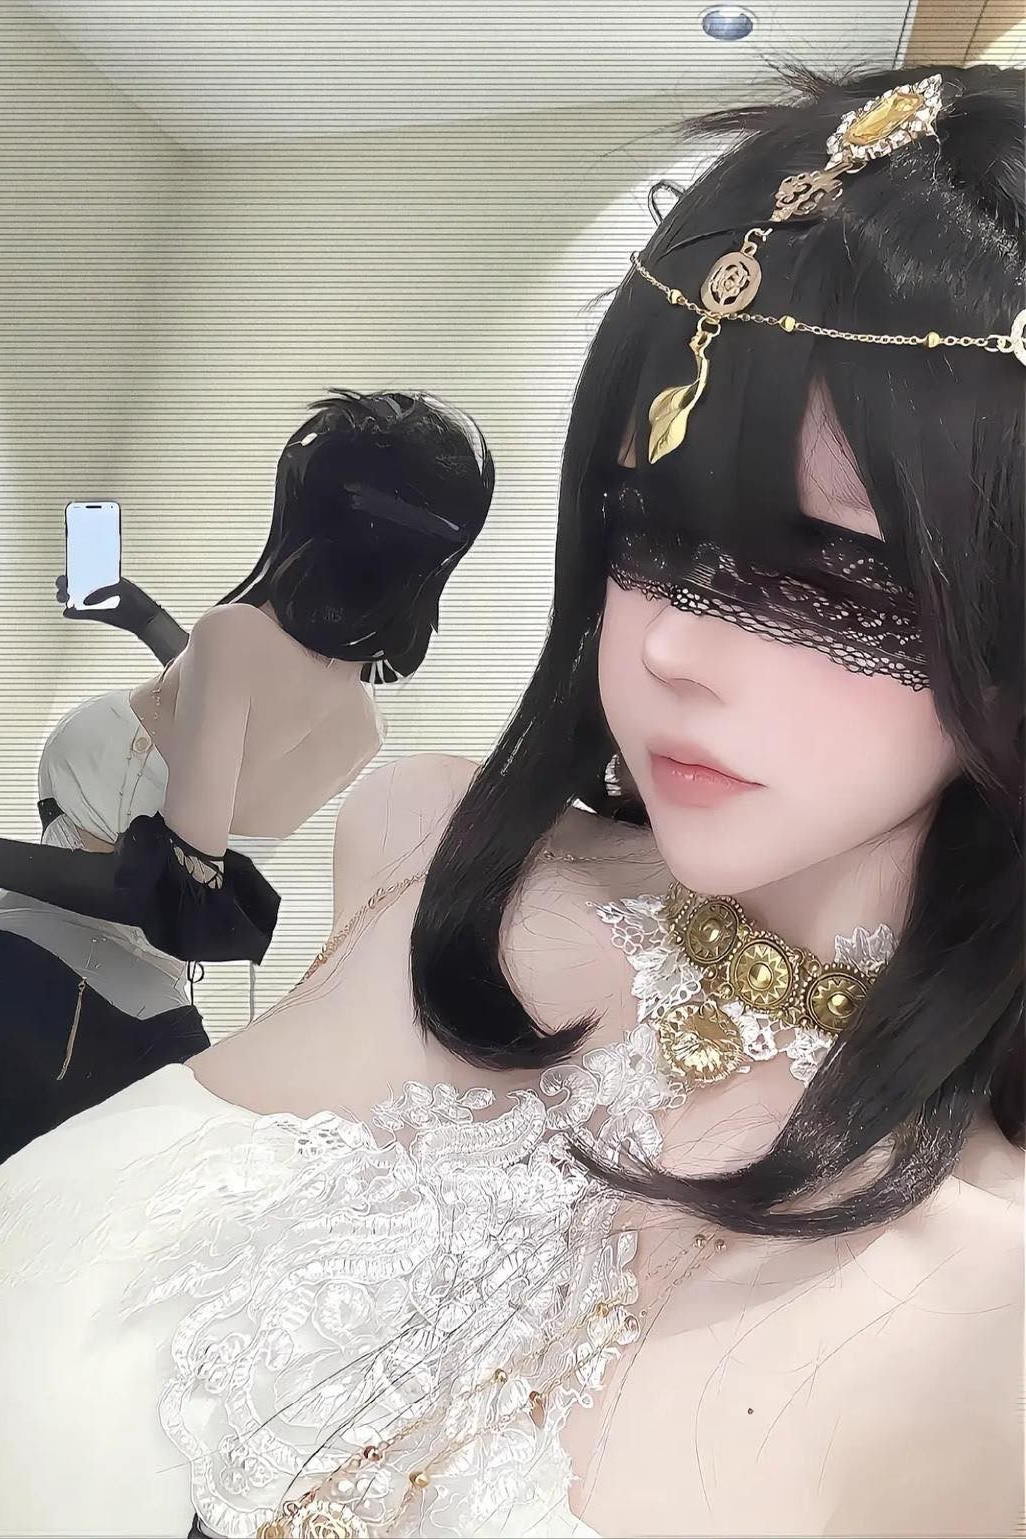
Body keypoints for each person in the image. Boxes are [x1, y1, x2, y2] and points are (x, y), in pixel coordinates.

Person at [0, 62, 1022, 1539]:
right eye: (642, 529)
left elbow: (181, 861)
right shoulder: (415, 828)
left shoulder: (983, 1322)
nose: (669, 647)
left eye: (835, 576)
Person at [0, 389, 494, 1160]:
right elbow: (219, 733)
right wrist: (141, 615)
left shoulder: (233, 638)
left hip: (39, 976)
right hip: (145, 1019)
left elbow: (172, 889)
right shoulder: (360, 722)